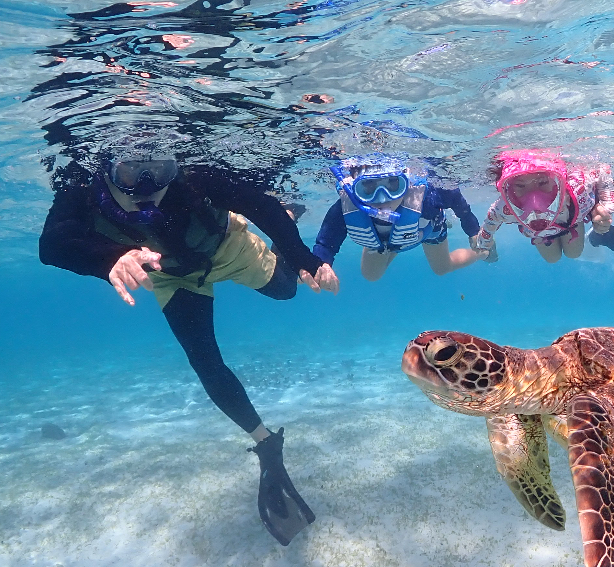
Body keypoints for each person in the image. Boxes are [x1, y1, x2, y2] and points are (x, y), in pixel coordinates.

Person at [38, 140, 328, 546]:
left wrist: (301, 257)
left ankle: (289, 218)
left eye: (159, 171)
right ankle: (265, 443)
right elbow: (52, 244)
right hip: (171, 275)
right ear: (105, 168)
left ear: (174, 166)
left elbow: (259, 205)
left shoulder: (198, 175)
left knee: (287, 290)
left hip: (226, 247)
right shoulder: (80, 186)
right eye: (130, 172)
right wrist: (107, 258)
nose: (146, 185)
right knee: (204, 360)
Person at [309, 154, 483, 290]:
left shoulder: (426, 198)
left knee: (442, 268)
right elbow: (326, 243)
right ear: (355, 189)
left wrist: (473, 231)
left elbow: (456, 200)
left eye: (392, 184)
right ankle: (394, 241)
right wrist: (322, 264)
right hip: (384, 241)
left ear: (406, 183)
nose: (382, 197)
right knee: (371, 275)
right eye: (368, 187)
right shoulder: (346, 207)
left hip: (426, 228)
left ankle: (482, 253)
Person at [469, 149, 614, 263]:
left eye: (542, 182)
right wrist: (484, 243)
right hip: (540, 233)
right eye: (520, 185)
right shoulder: (505, 207)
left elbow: (602, 169)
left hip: (569, 222)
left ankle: (581, 233)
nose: (534, 201)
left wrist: (605, 205)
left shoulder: (577, 189)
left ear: (560, 181)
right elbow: (490, 223)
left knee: (573, 254)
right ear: (509, 189)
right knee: (552, 259)